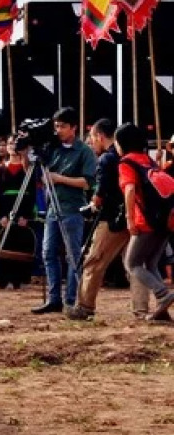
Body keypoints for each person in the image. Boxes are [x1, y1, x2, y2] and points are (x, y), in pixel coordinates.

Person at [72, 119, 147, 321]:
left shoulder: (107, 159)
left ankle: (85, 306)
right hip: (136, 217)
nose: (91, 143)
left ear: (99, 136)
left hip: (112, 219)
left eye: (92, 138)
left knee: (94, 261)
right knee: (135, 265)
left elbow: (100, 194)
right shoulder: (134, 156)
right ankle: (142, 310)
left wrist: (92, 205)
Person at [33, 108, 96, 314]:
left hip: (72, 209)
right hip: (53, 207)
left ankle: (70, 299)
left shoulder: (84, 151)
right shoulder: (53, 148)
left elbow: (87, 183)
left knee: (72, 255)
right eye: (56, 126)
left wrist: (59, 178)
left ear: (73, 127)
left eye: (62, 126)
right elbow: (40, 176)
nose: (58, 130)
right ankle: (54, 299)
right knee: (48, 253)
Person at [113, 123, 174, 322]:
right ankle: (161, 310)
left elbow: (130, 190)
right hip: (165, 221)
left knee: (132, 263)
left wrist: (130, 219)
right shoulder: (148, 161)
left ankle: (163, 295)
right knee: (152, 263)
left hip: (145, 222)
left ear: (121, 143)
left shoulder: (126, 163)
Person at [0, 141, 40, 289]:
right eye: (10, 144)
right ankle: (3, 279)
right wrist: (2, 215)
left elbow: (32, 194)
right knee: (6, 242)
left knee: (21, 242)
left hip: (23, 208)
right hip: (6, 208)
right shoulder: (1, 169)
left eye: (15, 144)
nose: (12, 147)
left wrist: (26, 215)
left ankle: (21, 279)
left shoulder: (28, 169)